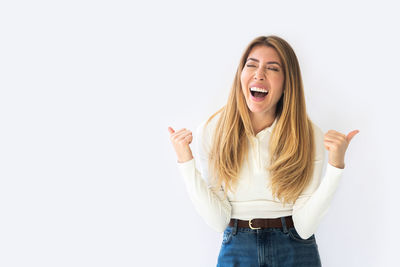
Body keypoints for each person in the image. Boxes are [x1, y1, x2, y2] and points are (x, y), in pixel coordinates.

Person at [168, 35, 359, 266]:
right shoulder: (213, 131)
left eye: (272, 68)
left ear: (287, 82)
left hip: (294, 246)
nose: (259, 74)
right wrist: (185, 162)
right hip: (238, 246)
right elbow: (218, 221)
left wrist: (335, 166)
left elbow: (305, 226)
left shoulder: (309, 135)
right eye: (251, 65)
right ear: (241, 75)